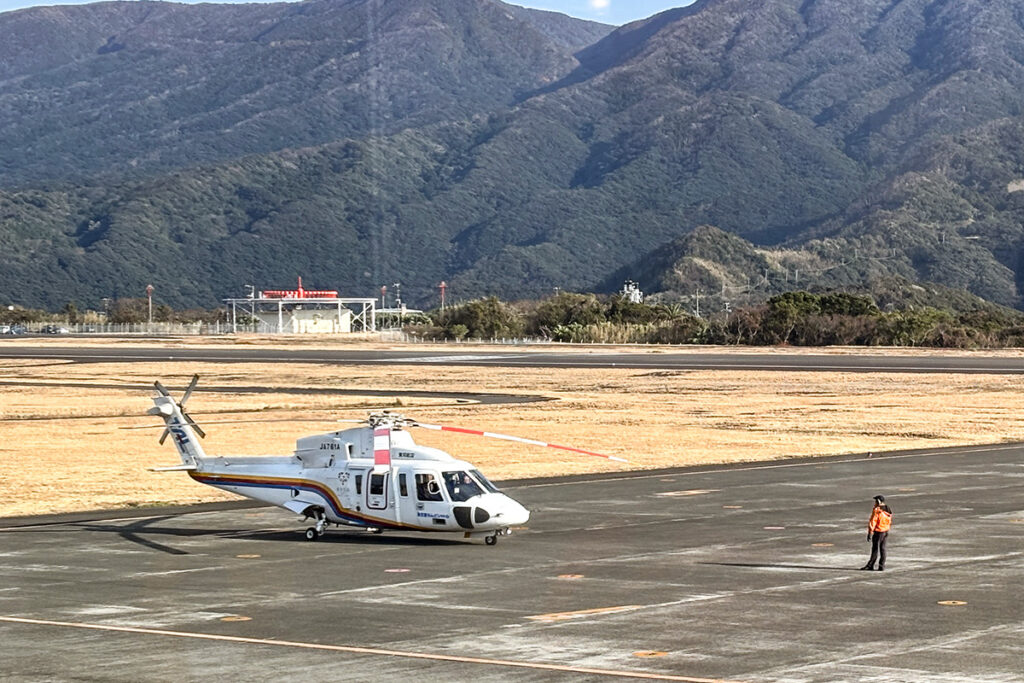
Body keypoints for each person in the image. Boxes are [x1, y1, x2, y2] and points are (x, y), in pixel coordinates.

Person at [861, 495, 892, 571]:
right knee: (883, 548)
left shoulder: (877, 510)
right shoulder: (888, 509)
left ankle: (870, 565)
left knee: (875, 548)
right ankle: (881, 566)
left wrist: (870, 532)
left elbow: (873, 521)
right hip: (885, 530)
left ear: (878, 501)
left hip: (878, 531)